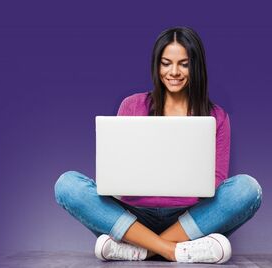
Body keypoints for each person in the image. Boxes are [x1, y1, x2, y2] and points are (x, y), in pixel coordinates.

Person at [54, 26, 262, 264]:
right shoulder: (132, 105)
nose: (174, 72)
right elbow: (116, 170)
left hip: (190, 217)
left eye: (184, 64)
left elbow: (215, 180)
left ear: (196, 66)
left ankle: (139, 249)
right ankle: (173, 250)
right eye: (166, 63)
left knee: (248, 189)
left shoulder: (217, 116)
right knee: (67, 185)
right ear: (157, 65)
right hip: (134, 216)